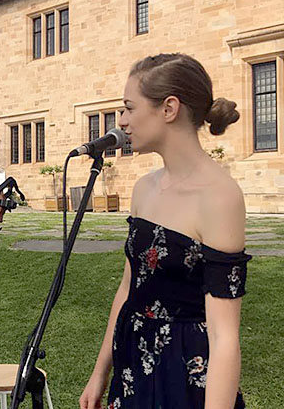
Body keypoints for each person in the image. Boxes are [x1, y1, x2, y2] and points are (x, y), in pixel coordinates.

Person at [79, 53, 250, 409]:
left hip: (186, 373)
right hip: (133, 362)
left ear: (169, 108)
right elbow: (128, 288)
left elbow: (224, 335)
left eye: (128, 108)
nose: (121, 121)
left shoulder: (220, 197)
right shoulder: (143, 188)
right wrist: (100, 373)